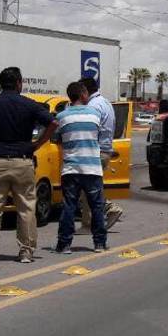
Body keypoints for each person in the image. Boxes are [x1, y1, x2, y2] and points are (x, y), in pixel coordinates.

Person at [0, 66, 57, 264]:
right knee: (26, 208)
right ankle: (26, 251)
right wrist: (37, 143)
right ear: (19, 83)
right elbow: (53, 123)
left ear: (1, 84)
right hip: (23, 161)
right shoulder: (29, 104)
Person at [54, 81, 108, 253]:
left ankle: (64, 244)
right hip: (92, 168)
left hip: (71, 168)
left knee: (69, 206)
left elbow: (57, 138)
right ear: (84, 94)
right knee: (96, 206)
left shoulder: (61, 117)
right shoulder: (95, 114)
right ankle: (99, 243)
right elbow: (99, 136)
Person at [78, 76, 123, 229]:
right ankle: (96, 219)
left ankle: (101, 215)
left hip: (95, 151)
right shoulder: (105, 102)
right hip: (104, 150)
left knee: (88, 188)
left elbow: (90, 130)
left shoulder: (93, 106)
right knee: (88, 187)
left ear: (85, 90)